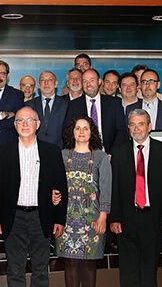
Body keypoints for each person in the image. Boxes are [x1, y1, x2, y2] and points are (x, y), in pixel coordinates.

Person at [0, 106, 68, 287]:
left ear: (37, 124)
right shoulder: (3, 151)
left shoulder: (51, 151)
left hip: (41, 217)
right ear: (15, 125)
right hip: (13, 217)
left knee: (40, 270)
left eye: (30, 120)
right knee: (15, 269)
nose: (25, 124)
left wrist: (59, 219)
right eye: (20, 120)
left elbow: (61, 187)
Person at [109, 108, 162, 287]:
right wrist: (114, 217)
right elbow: (114, 188)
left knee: (149, 269)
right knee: (128, 270)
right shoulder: (119, 152)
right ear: (128, 128)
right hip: (126, 218)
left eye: (141, 124)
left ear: (149, 126)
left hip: (153, 218)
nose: (136, 129)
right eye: (132, 125)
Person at [56, 116, 112, 287]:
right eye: (78, 128)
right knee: (70, 264)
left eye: (85, 128)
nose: (81, 132)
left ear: (91, 132)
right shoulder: (62, 155)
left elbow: (106, 187)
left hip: (92, 219)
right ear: (72, 132)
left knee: (89, 264)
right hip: (66, 219)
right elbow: (55, 183)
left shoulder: (101, 157)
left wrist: (103, 216)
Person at [66, 68, 126, 154]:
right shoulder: (73, 105)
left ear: (99, 82)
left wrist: (113, 154)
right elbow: (68, 132)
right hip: (82, 155)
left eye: (92, 80)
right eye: (85, 81)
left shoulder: (114, 103)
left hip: (109, 154)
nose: (88, 84)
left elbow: (121, 131)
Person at [126, 68, 162, 142]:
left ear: (158, 85)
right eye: (144, 82)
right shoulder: (130, 109)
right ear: (140, 85)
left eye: (151, 81)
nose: (147, 85)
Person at [25, 70, 69, 147]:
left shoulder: (66, 104)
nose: (46, 83)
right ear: (39, 85)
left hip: (60, 149)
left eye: (50, 80)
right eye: (43, 80)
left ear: (56, 84)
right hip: (35, 148)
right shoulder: (29, 105)